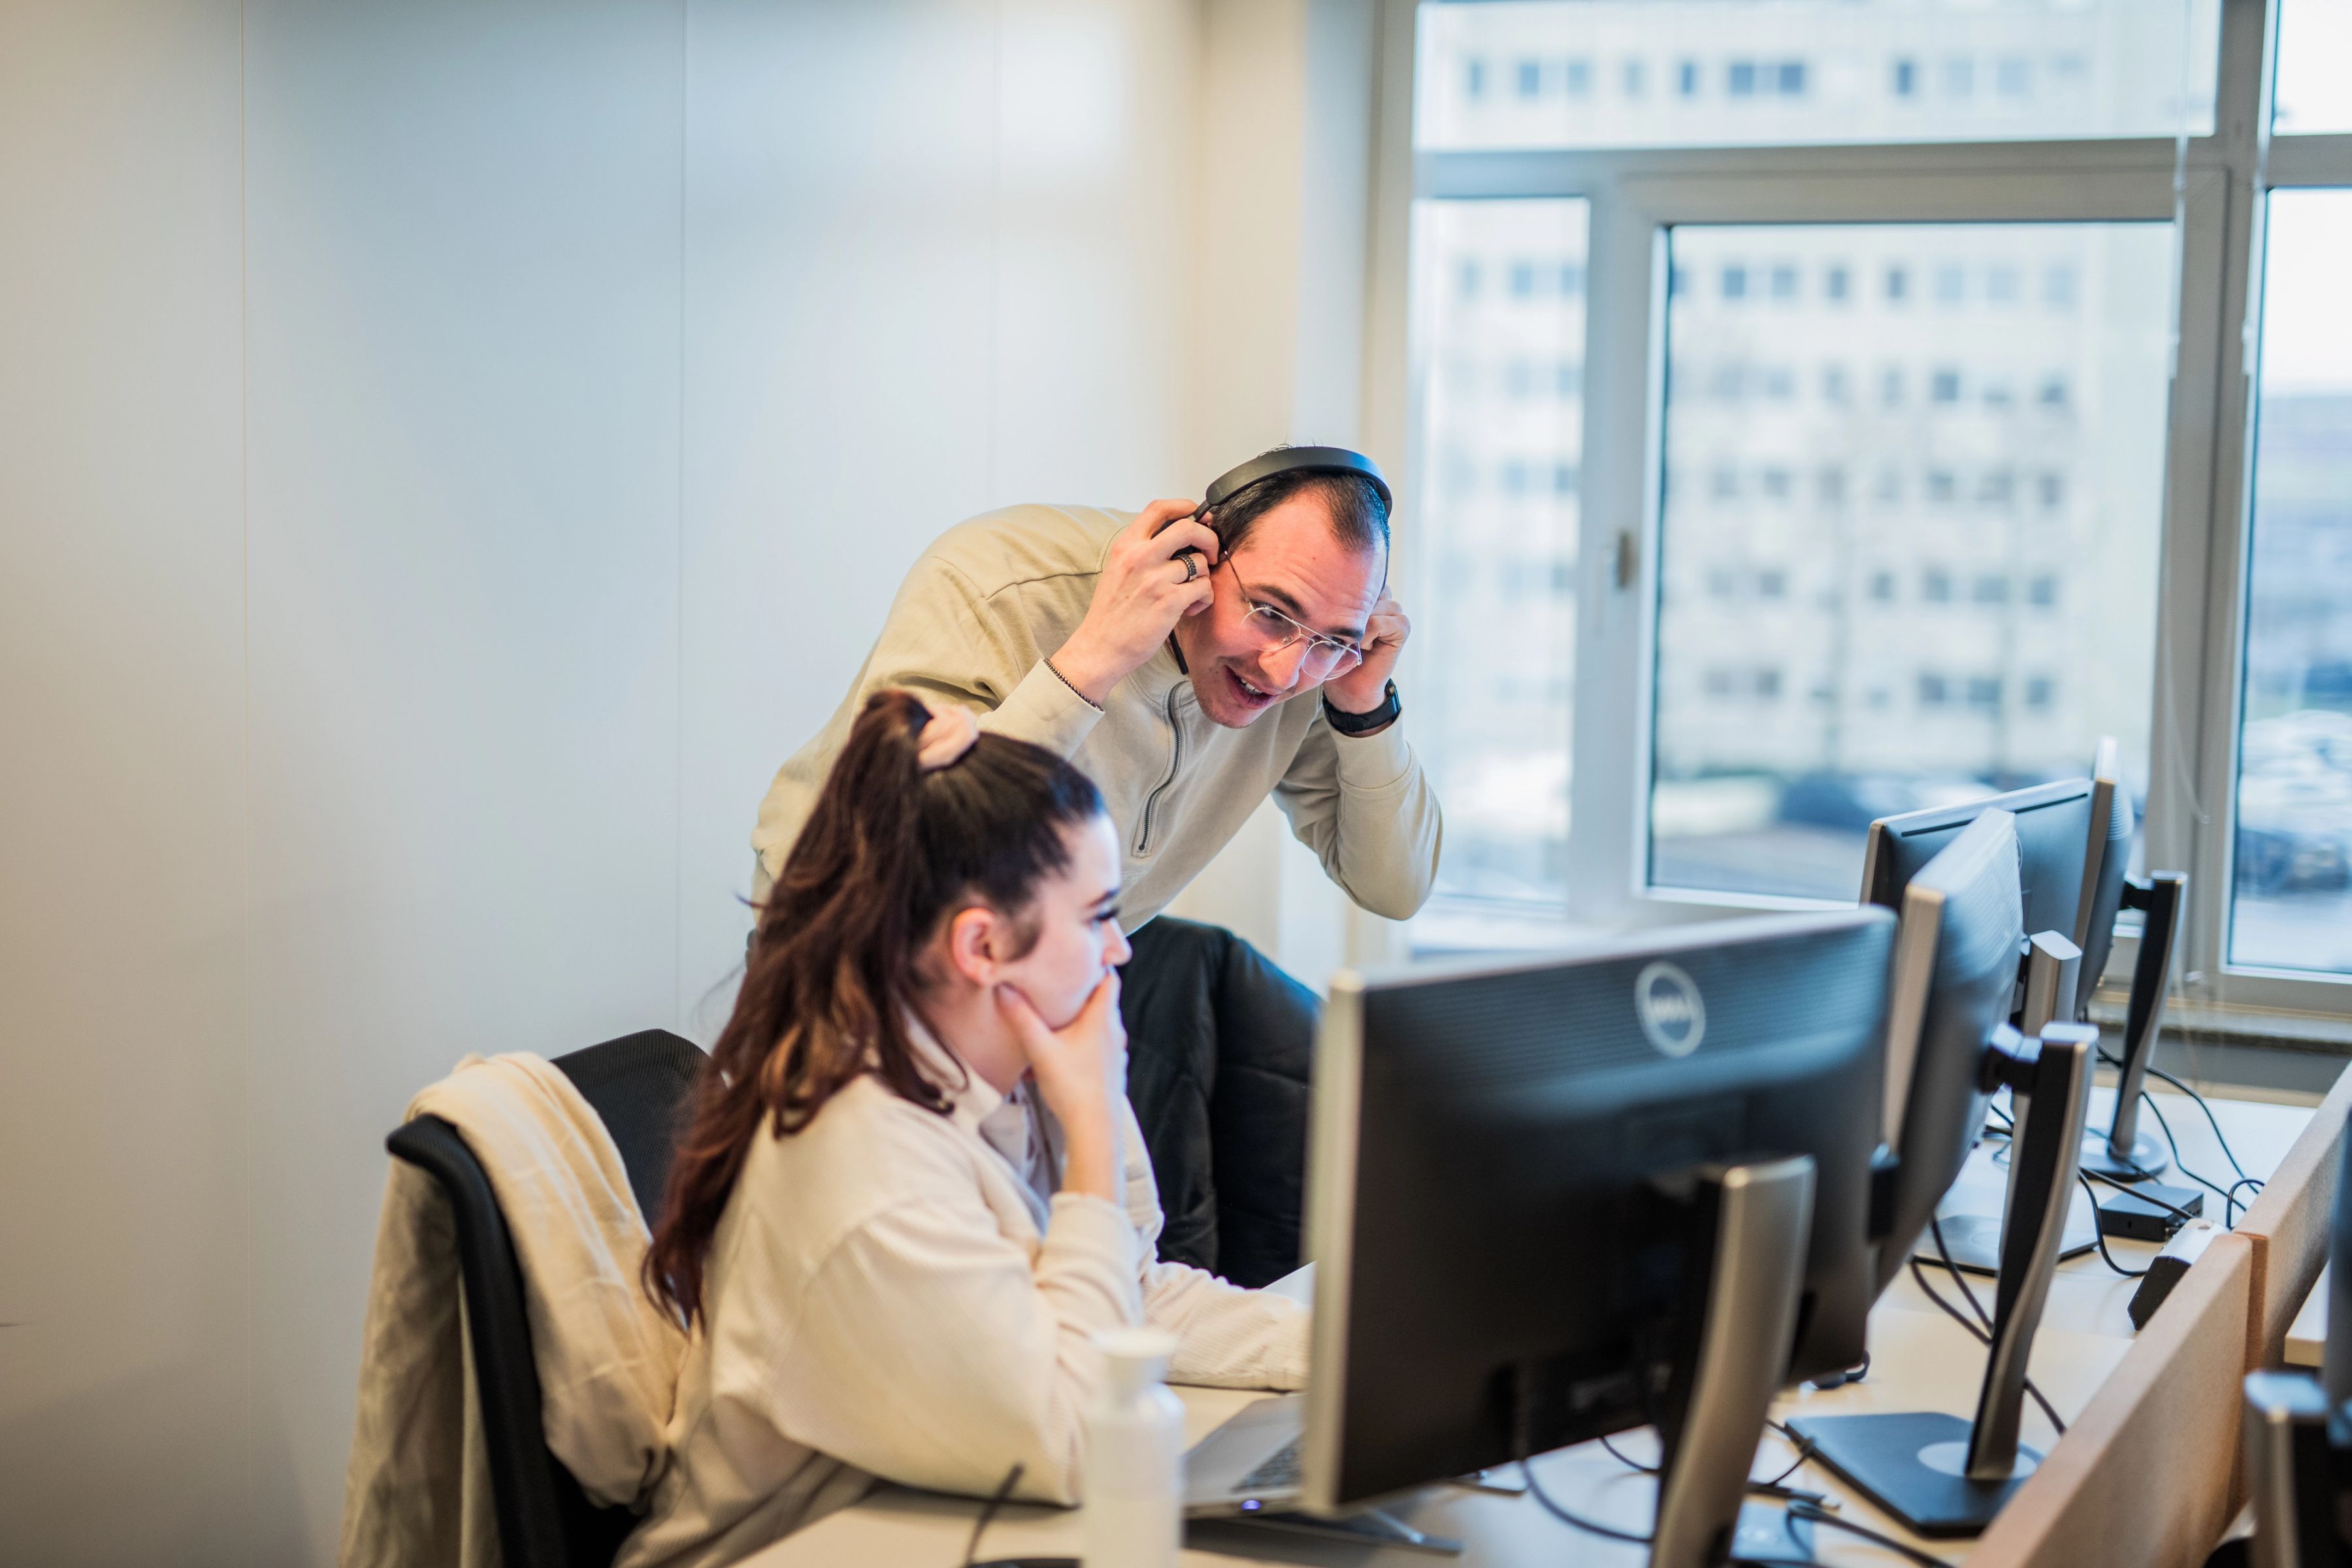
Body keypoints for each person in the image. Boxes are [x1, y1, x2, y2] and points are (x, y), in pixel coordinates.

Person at [620, 691, 1308, 1568]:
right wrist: (1094, 1124)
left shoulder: (1011, 1079)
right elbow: (1074, 1439)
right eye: (1098, 916)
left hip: (940, 1521)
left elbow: (1125, 1296)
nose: (1120, 950)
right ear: (981, 948)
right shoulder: (864, 1162)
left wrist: (1343, 1354)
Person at [749, 449, 1443, 932]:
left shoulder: (1317, 667)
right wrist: (1096, 657)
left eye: (1332, 639)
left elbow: (1395, 889)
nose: (1283, 672)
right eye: (1269, 611)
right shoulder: (995, 582)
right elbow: (901, 856)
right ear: (1198, 552)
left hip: (1046, 979)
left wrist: (1364, 709)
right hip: (847, 946)